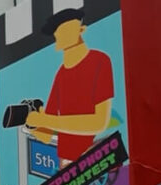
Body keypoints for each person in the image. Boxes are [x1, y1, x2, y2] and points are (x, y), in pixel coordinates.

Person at [25, 8, 114, 164]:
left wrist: (43, 120)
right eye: (57, 31)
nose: (59, 34)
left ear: (81, 30)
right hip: (66, 164)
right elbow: (46, 134)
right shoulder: (61, 74)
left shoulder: (100, 60)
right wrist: (32, 123)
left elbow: (99, 122)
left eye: (65, 29)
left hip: (95, 157)